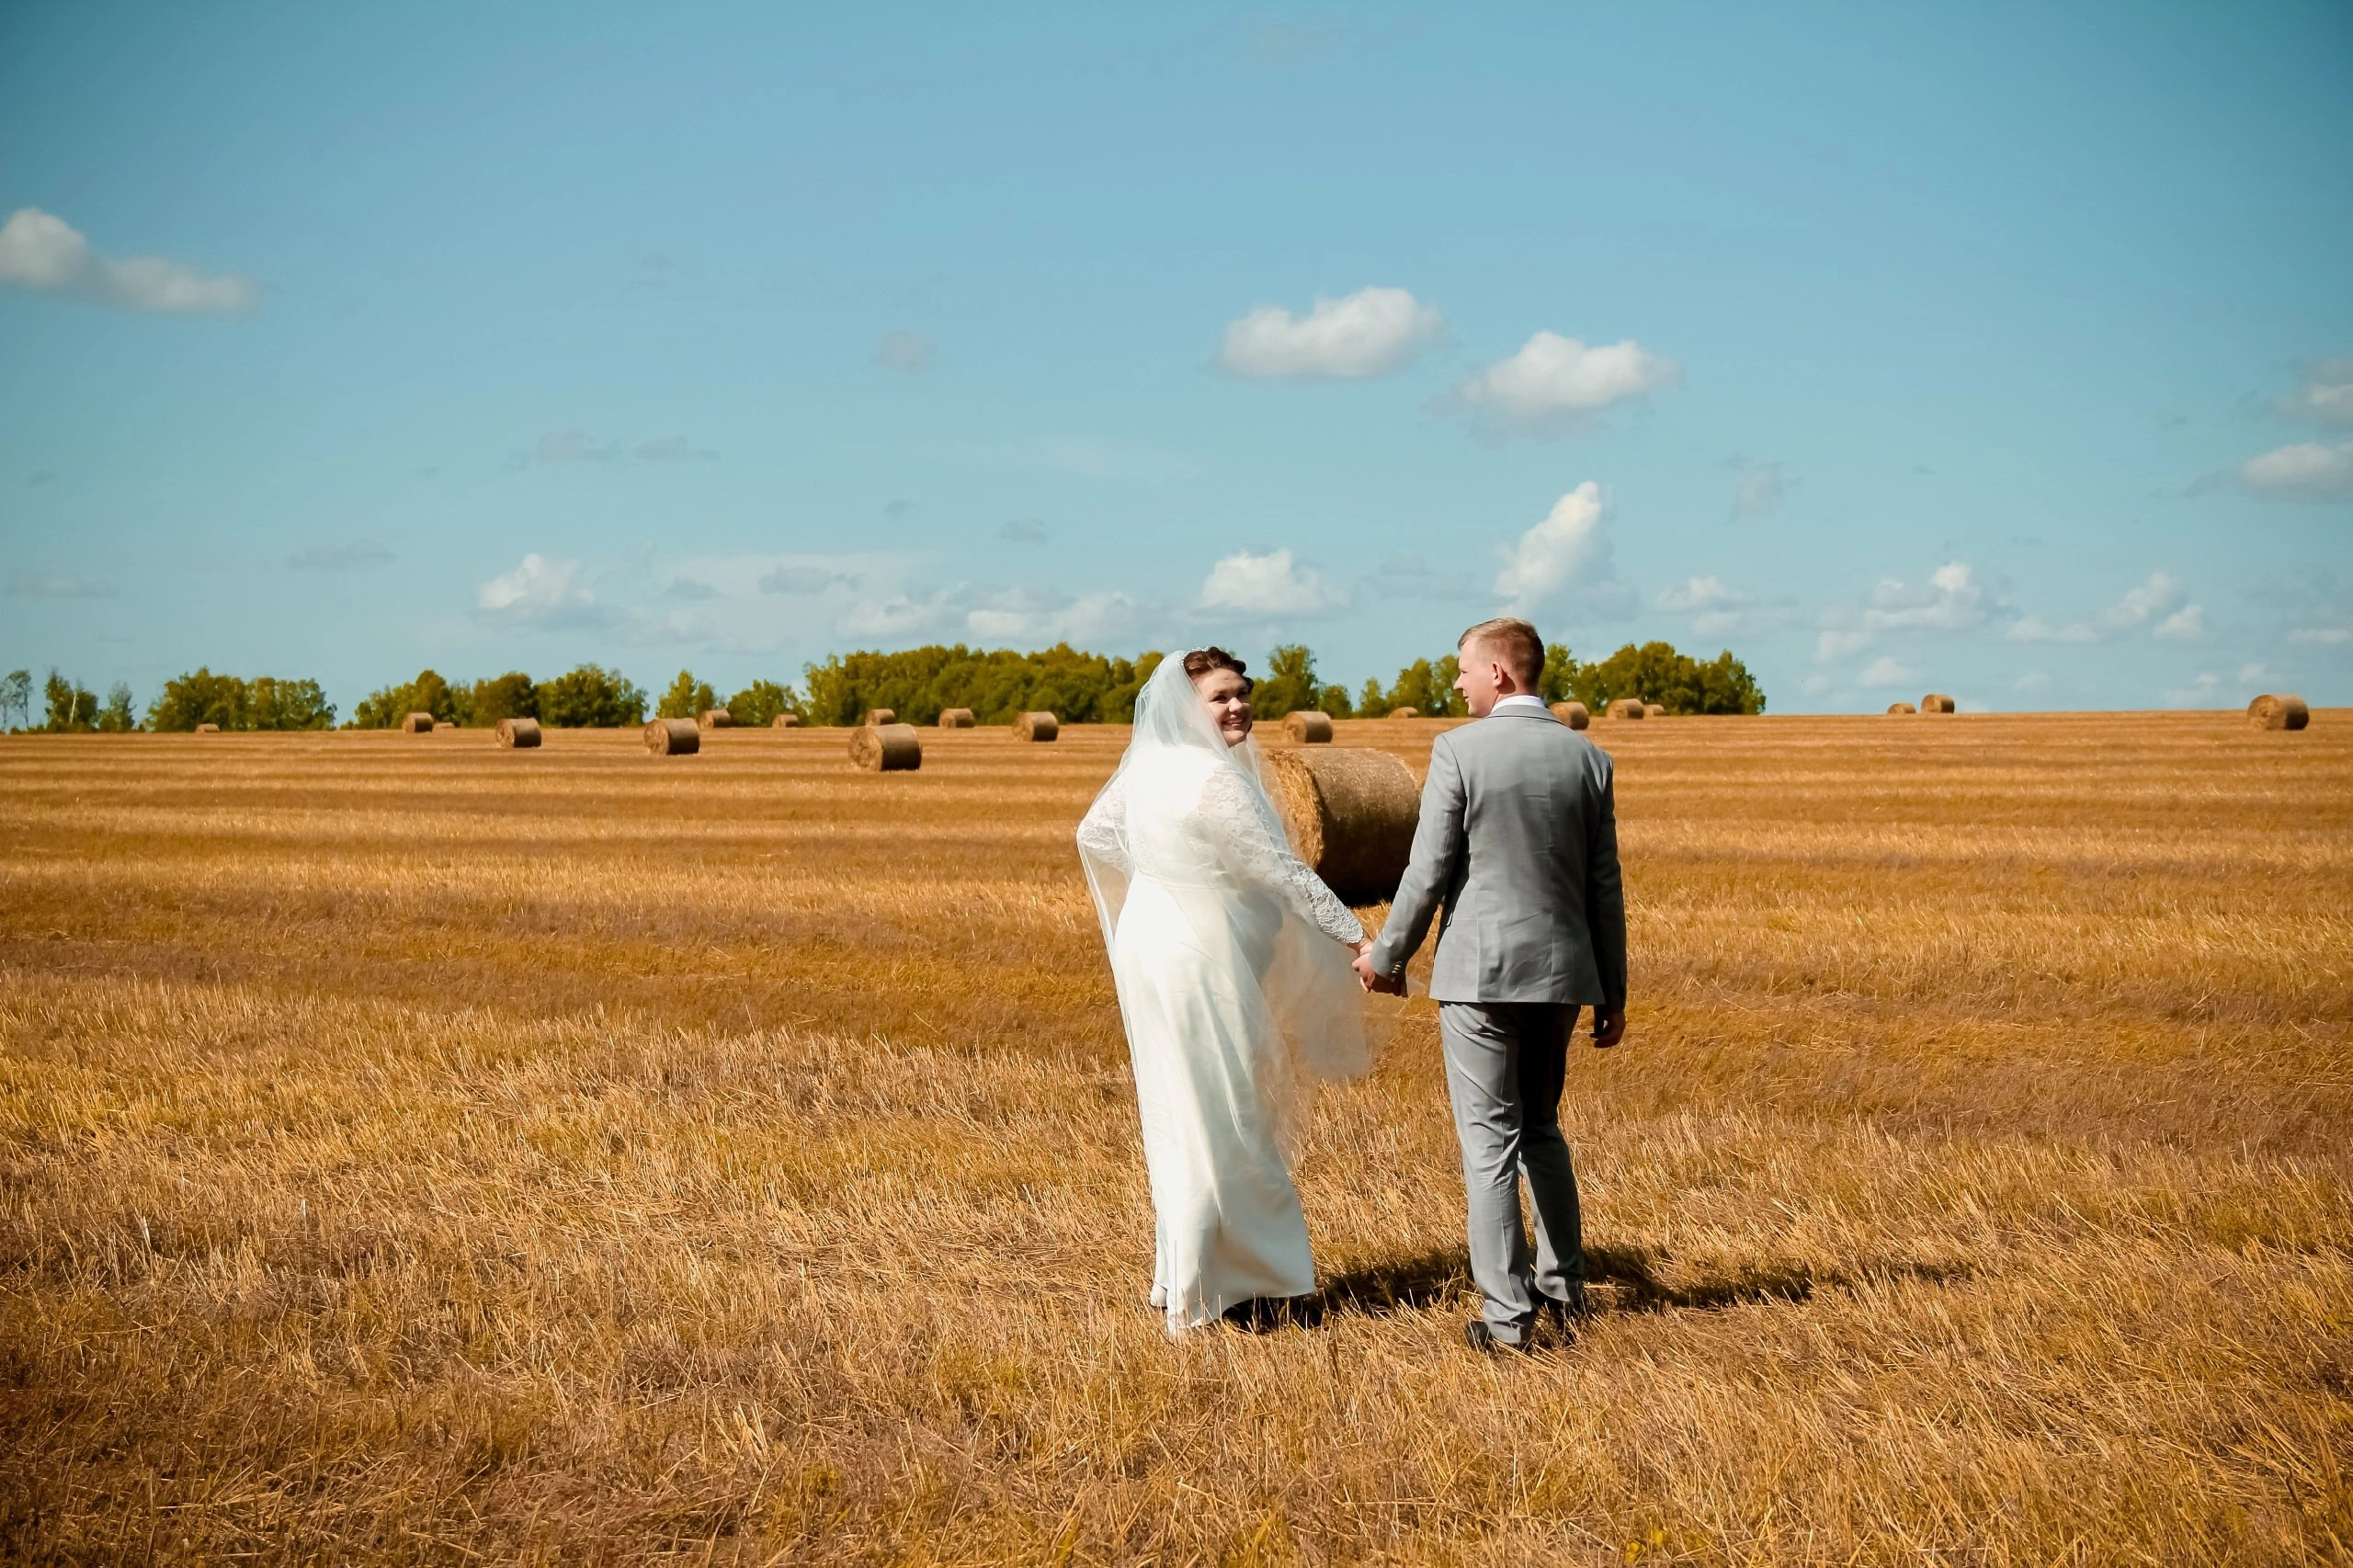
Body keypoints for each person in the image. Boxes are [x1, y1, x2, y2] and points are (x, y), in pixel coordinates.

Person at [1076, 647, 1376, 1333]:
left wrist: (1166, 873)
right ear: (1189, 706)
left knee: (1183, 1111)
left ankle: (1188, 1280)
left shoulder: (1148, 767)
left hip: (1149, 942)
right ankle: (1247, 1283)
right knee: (1229, 1111)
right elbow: (1282, 873)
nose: (1238, 706)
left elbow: (1093, 832)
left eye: (1242, 693)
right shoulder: (1215, 780)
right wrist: (1358, 938)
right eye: (1220, 697)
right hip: (1196, 953)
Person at [1354, 616, 1628, 1353]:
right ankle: (1564, 1292)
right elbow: (1606, 887)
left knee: (1490, 1146)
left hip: (1479, 976)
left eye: (1464, 670)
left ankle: (1508, 1320)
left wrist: (1386, 956)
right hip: (1566, 975)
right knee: (1543, 1130)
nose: (1456, 683)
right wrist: (1613, 990)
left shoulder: (1458, 751)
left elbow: (1428, 870)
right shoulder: (1589, 759)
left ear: (1499, 674)